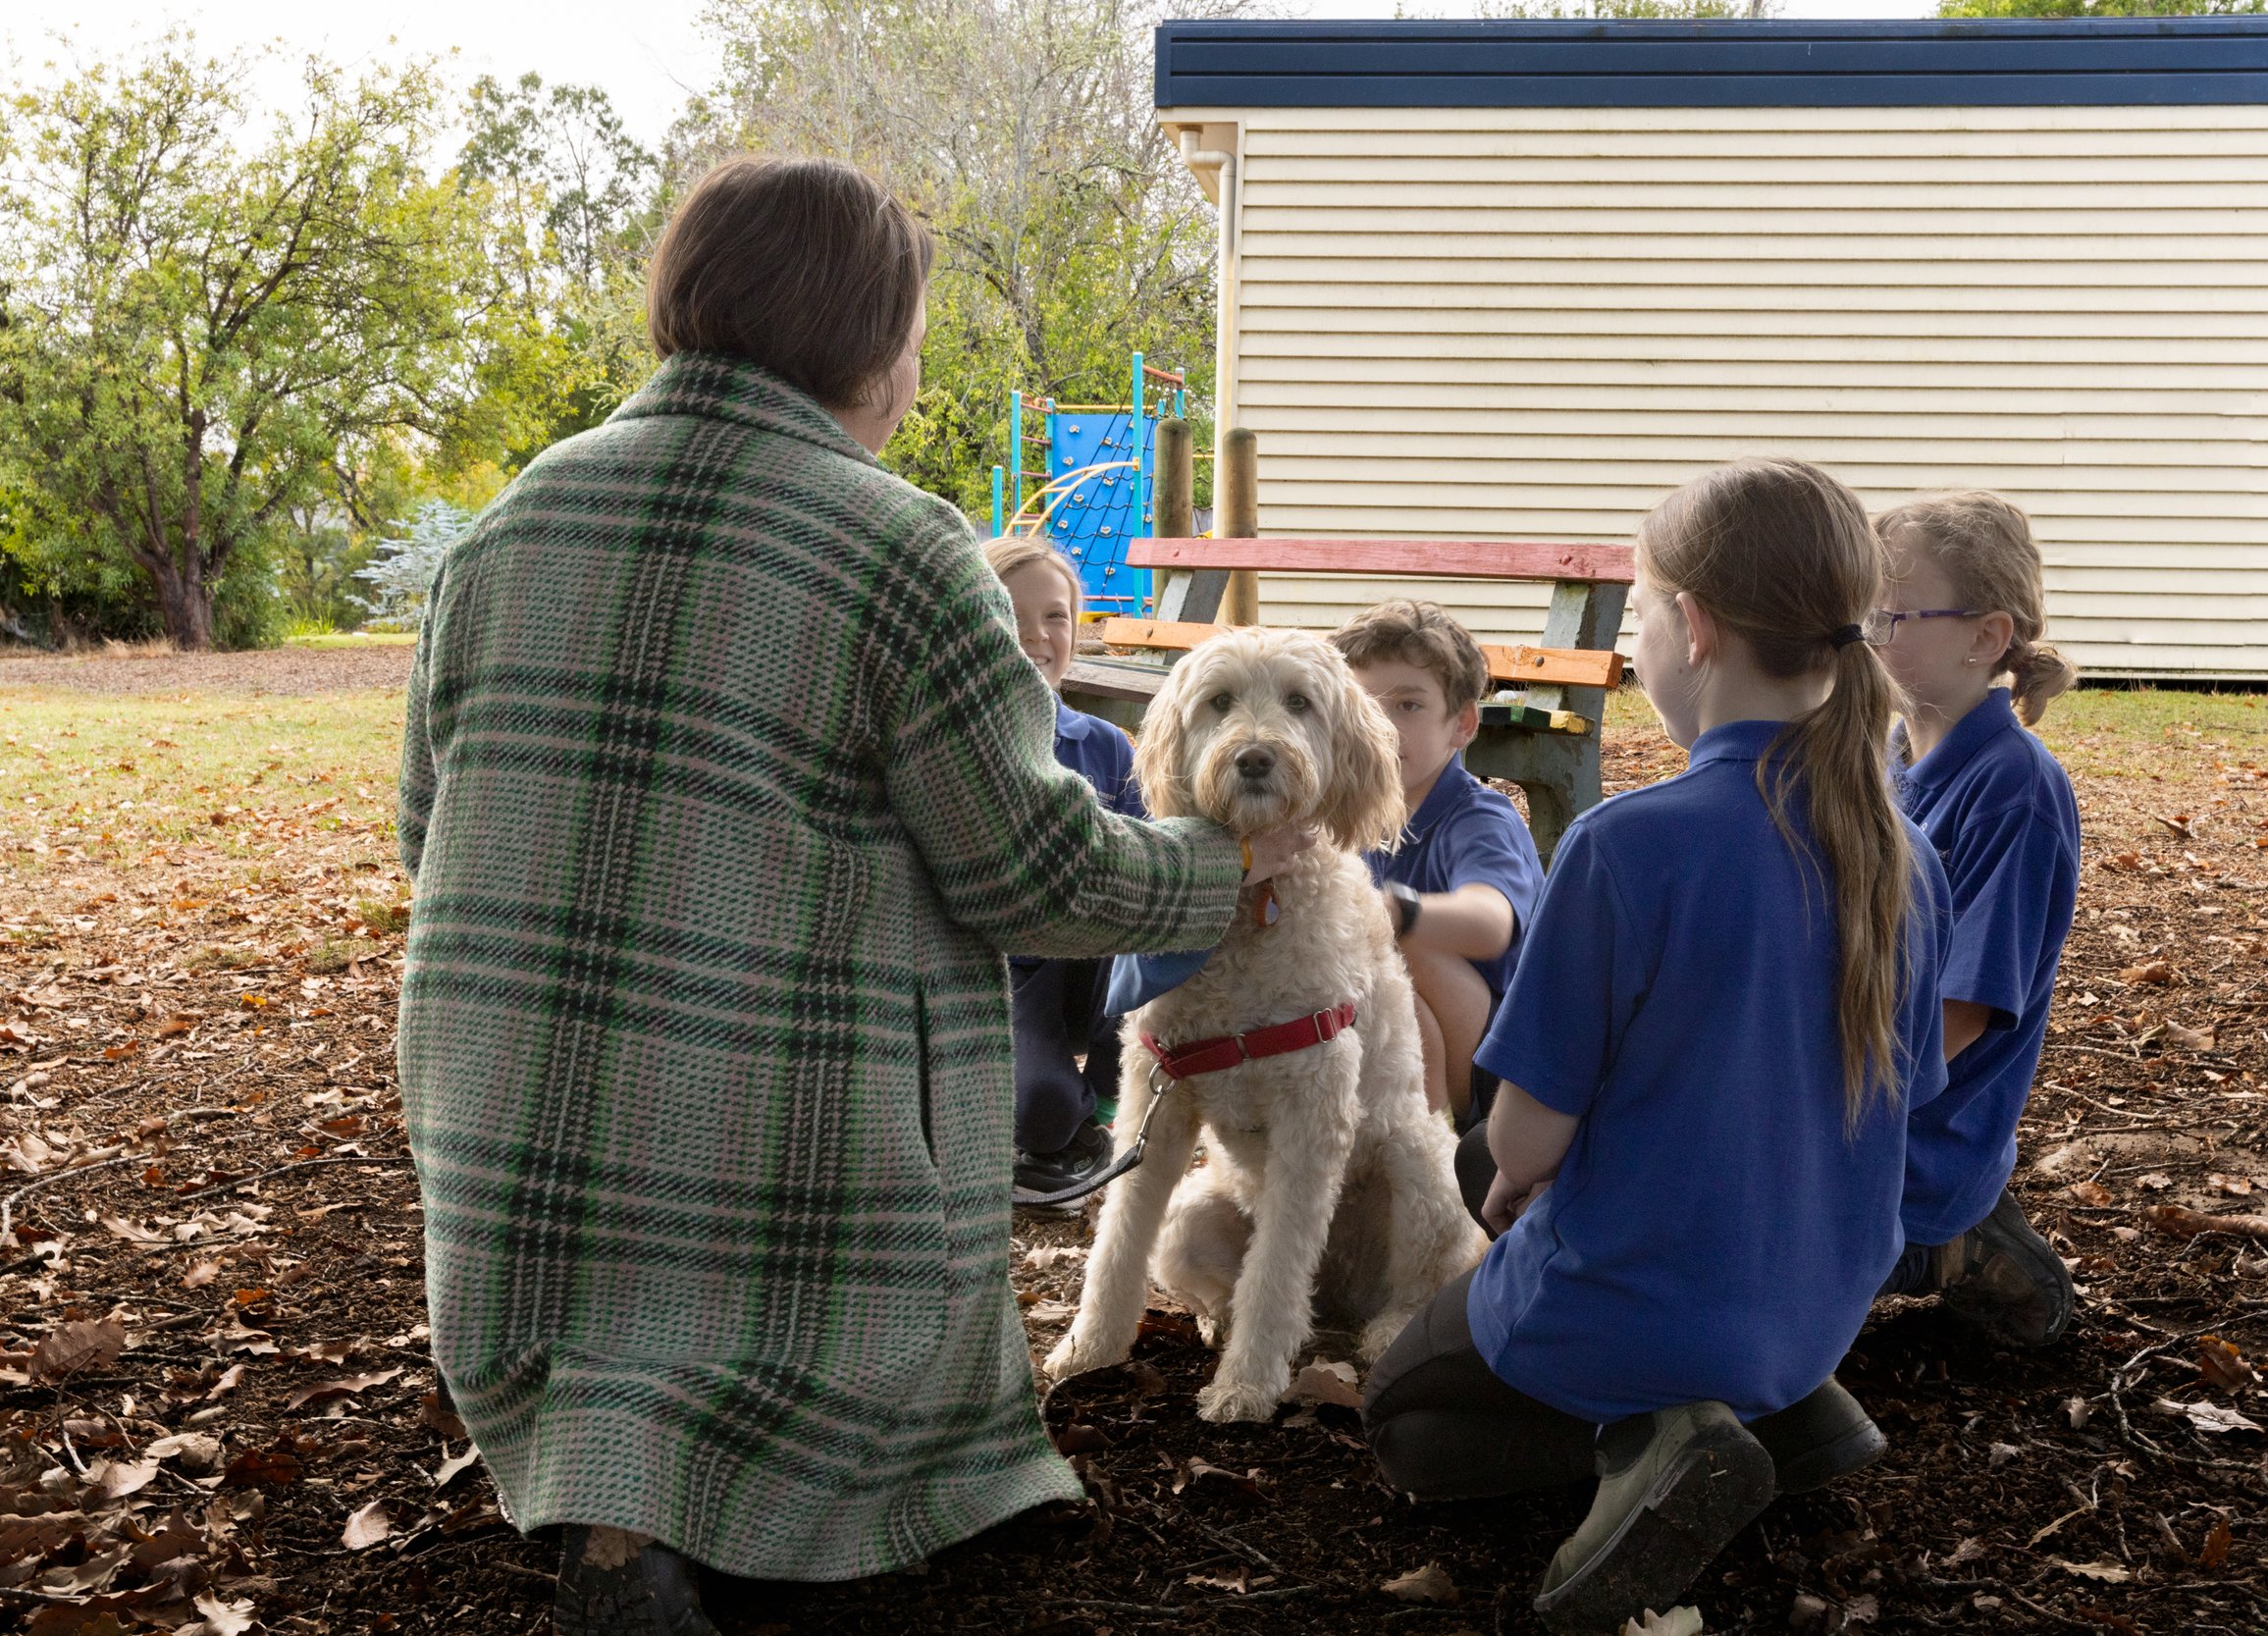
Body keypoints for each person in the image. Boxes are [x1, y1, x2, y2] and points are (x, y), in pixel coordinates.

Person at [395, 155, 1311, 1636]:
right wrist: (1224, 863)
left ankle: (619, 1493)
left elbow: (426, 830)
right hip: (761, 1165)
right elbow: (1038, 870)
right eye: (914, 329)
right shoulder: (899, 545)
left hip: (506, 1157)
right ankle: (763, 1505)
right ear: (870, 346)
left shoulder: (509, 521)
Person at [1362, 459, 1954, 1634]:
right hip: (1818, 1299)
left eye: (1637, 608)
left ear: (1694, 625)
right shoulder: (1906, 855)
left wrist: (1503, 1201)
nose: (1636, 639)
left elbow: (1529, 1134)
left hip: (1642, 1305)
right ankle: (1783, 1405)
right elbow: (1903, 1107)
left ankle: (1666, 1432)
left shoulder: (1626, 843)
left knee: (1405, 1414)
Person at [1867, 493, 2083, 1346]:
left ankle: (1961, 1235)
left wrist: (1804, 1103)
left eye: (1887, 614)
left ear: (1985, 638)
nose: (1864, 633)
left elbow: (1961, 1013)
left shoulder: (2015, 790)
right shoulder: (1883, 756)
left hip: (1914, 1138)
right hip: (1858, 1098)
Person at [1331, 601, 1544, 1125]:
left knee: (1400, 947)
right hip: (1387, 1046)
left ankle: (1421, 1143)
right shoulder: (1345, 817)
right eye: (1363, 706)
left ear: (1462, 724)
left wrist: (1397, 912)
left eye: (1408, 706)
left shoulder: (1476, 819)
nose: (1381, 727)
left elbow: (1491, 923)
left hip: (1511, 1068)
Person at [982, 536, 1141, 1200]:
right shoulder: (962, 741)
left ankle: (1108, 1111)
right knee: (1042, 1109)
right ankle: (1057, 1125)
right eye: (1014, 619)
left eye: (1056, 616)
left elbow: (1150, 857)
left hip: (1094, 959)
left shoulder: (1101, 744)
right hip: (1004, 972)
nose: (1037, 636)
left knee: (1156, 944)